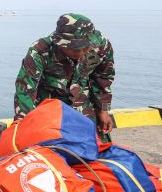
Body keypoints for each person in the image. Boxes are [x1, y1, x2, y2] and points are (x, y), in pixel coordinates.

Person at [13, 13, 115, 141]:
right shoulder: (40, 50)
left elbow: (103, 79)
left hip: (82, 101)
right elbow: (26, 90)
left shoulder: (102, 46)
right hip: (48, 103)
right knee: (41, 146)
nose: (80, 53)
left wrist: (103, 110)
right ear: (59, 43)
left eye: (85, 48)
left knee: (98, 147)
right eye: (73, 48)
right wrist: (23, 125)